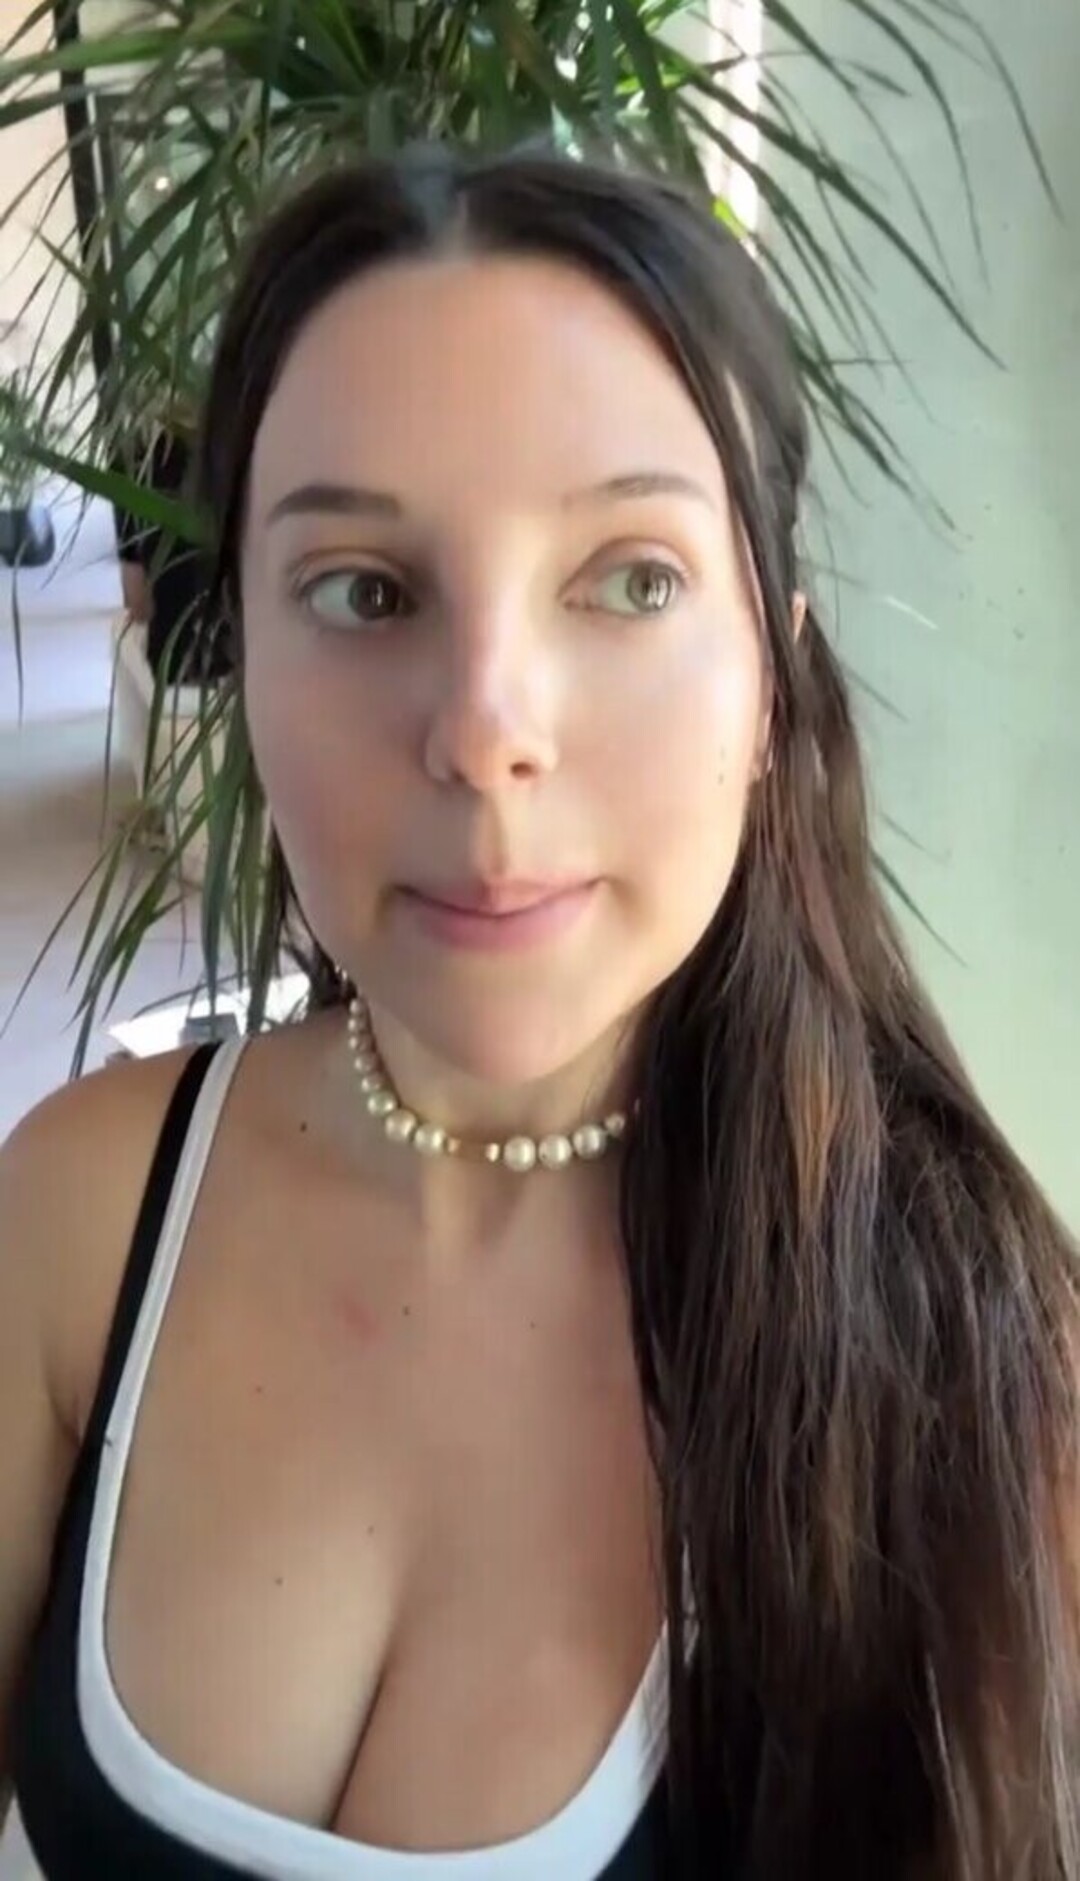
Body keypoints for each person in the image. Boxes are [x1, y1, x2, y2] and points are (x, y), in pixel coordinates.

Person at [0, 145, 1077, 1881]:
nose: (485, 729)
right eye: (364, 589)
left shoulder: (983, 1369)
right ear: (242, 660)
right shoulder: (76, 1214)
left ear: (773, 677)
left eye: (631, 578)